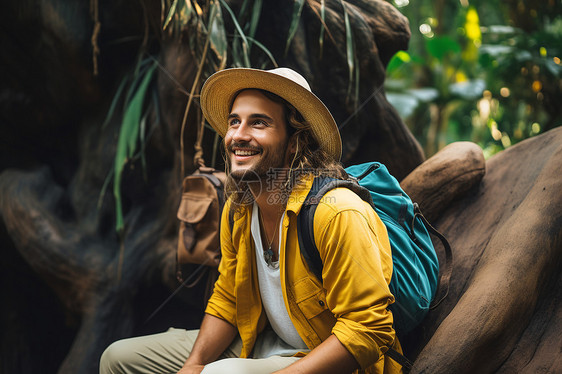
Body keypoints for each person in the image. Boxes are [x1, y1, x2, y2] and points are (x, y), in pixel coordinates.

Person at [100, 67, 402, 374]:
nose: (238, 135)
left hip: (323, 354)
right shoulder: (239, 209)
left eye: (258, 122)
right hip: (258, 338)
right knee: (117, 359)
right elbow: (229, 298)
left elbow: (367, 330)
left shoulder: (336, 212)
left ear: (295, 141)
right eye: (234, 121)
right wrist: (193, 365)